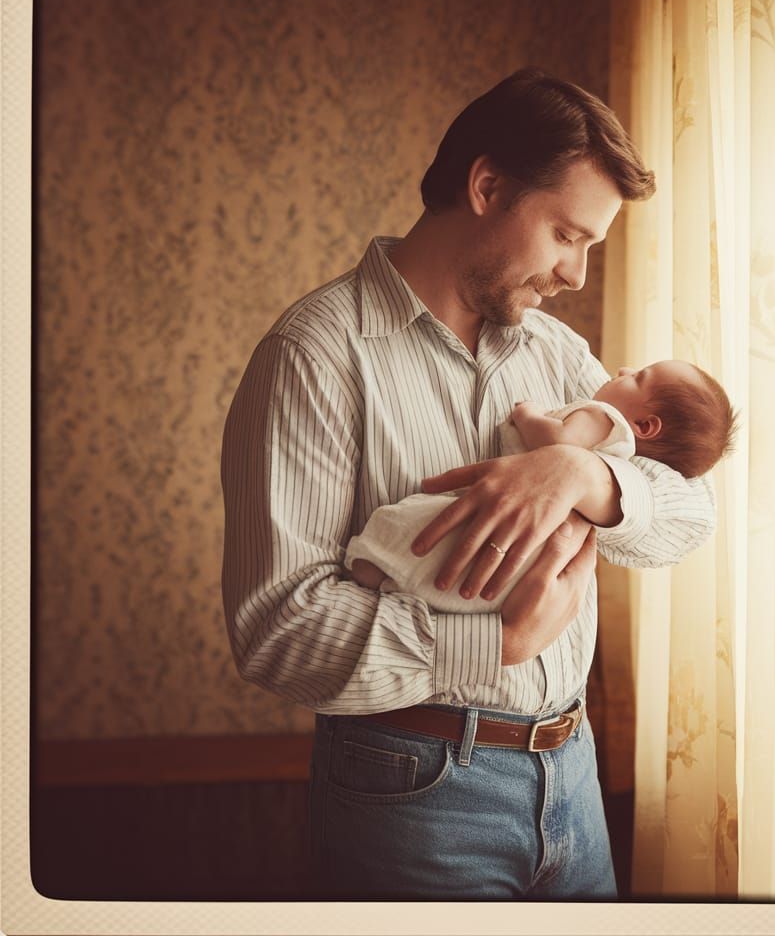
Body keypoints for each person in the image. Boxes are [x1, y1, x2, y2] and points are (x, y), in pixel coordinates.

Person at [220, 68, 718, 900]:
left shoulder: (554, 355)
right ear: (487, 186)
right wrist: (497, 644)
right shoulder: (315, 356)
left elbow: (690, 512)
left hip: (576, 775)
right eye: (568, 235)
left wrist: (583, 471)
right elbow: (276, 628)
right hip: (412, 793)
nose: (577, 275)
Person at [346, 358, 737, 613]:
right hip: (531, 548)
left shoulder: (603, 416)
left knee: (424, 525)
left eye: (638, 377)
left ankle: (381, 566)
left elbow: (558, 442)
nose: (621, 370)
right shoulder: (620, 440)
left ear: (645, 426)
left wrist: (528, 414)